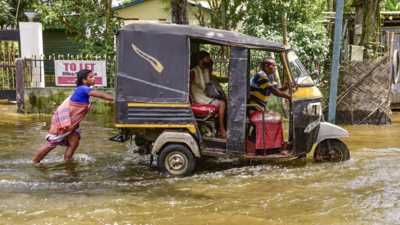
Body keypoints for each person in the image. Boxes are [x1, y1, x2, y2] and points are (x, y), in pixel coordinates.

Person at [32, 69, 114, 163]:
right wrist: (117, 98)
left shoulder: (82, 89)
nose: (93, 78)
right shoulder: (83, 89)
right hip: (66, 122)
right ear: (84, 80)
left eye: (93, 76)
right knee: (51, 144)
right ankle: (34, 162)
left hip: (71, 123)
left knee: (74, 143)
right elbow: (101, 95)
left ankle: (67, 162)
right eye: (91, 77)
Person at [249, 57, 292, 154]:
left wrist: (285, 87)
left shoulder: (268, 77)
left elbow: (276, 88)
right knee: (274, 120)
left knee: (276, 118)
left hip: (259, 109)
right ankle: (270, 148)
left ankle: (272, 145)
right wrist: (289, 97)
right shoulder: (261, 76)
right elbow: (274, 91)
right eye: (273, 65)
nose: (275, 67)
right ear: (266, 66)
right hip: (254, 110)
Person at [189, 51, 227, 138]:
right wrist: (192, 99)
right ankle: (221, 128)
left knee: (225, 104)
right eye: (207, 60)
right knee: (222, 104)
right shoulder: (193, 72)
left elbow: (214, 80)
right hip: (198, 98)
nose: (208, 61)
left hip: (205, 97)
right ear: (200, 61)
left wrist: (222, 91)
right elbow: (188, 85)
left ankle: (216, 127)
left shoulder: (206, 71)